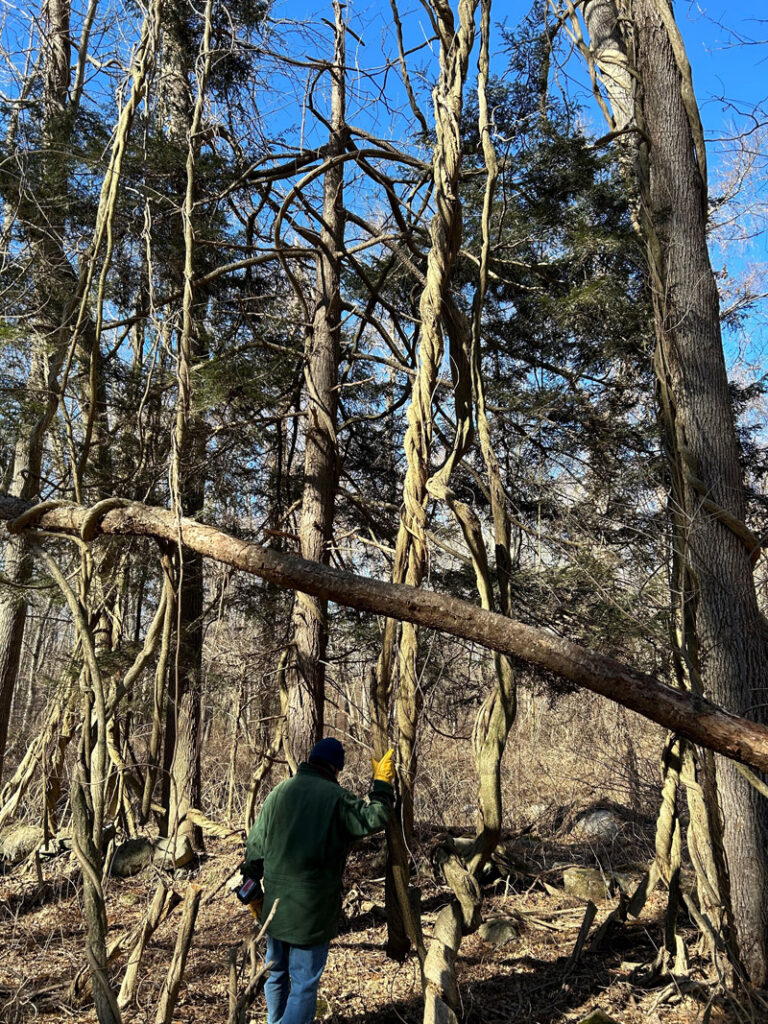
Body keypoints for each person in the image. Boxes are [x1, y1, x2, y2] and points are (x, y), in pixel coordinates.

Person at [244, 737, 395, 1024]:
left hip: (275, 908)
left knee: (274, 972)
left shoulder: (279, 792)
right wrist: (382, 784)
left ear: (311, 761)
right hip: (312, 913)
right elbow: (375, 817)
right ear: (336, 768)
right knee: (303, 983)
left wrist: (251, 885)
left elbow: (255, 845)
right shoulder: (336, 798)